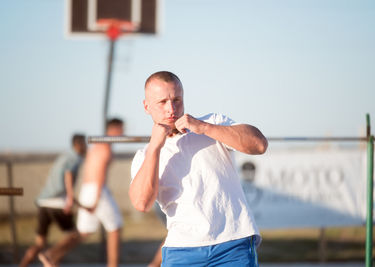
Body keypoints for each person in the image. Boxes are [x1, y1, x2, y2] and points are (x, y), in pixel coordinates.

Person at [129, 71, 268, 267]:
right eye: (162, 102)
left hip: (233, 243)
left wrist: (204, 128)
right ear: (146, 106)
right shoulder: (144, 155)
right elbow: (141, 203)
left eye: (176, 99)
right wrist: (155, 147)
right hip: (181, 250)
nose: (171, 108)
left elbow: (259, 145)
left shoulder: (212, 122)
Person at [39, 118, 124, 267]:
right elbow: (100, 173)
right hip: (97, 189)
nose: (123, 133)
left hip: (87, 189)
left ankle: (51, 255)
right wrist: (97, 199)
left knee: (84, 231)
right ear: (114, 129)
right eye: (121, 129)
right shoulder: (105, 147)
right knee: (115, 227)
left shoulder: (97, 146)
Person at [19, 134, 86, 267]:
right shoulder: (75, 158)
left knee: (39, 244)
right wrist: (70, 200)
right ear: (78, 144)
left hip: (43, 203)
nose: (86, 147)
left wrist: (80, 204)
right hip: (57, 203)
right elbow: (68, 175)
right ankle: (49, 255)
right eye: (85, 144)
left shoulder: (63, 157)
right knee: (75, 236)